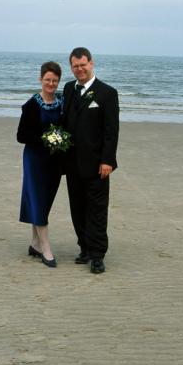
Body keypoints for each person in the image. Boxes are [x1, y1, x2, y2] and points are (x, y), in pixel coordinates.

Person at [62, 47, 119, 274]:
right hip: (72, 163)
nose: (80, 69)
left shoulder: (107, 93)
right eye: (75, 66)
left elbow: (111, 131)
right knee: (77, 208)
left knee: (96, 210)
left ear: (91, 63)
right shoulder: (68, 89)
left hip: (97, 165)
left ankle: (97, 255)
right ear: (71, 67)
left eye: (83, 65)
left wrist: (107, 160)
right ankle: (84, 248)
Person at [17, 61, 63, 268]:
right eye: (47, 80)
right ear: (40, 79)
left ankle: (35, 244)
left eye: (54, 80)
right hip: (35, 161)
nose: (51, 84)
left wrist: (60, 139)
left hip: (54, 162)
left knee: (45, 202)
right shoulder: (31, 105)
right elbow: (21, 136)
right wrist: (46, 139)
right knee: (38, 201)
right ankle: (46, 248)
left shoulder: (62, 102)